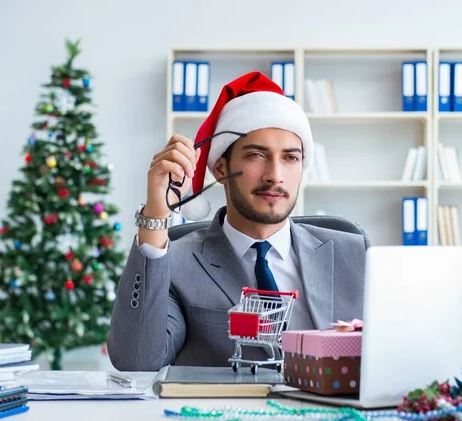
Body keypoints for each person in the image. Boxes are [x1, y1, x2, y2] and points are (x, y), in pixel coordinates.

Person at [107, 71, 370, 371]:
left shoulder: (356, 253)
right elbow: (135, 360)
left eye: (290, 158)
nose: (275, 174)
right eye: (257, 155)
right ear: (220, 168)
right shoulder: (178, 263)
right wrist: (156, 214)